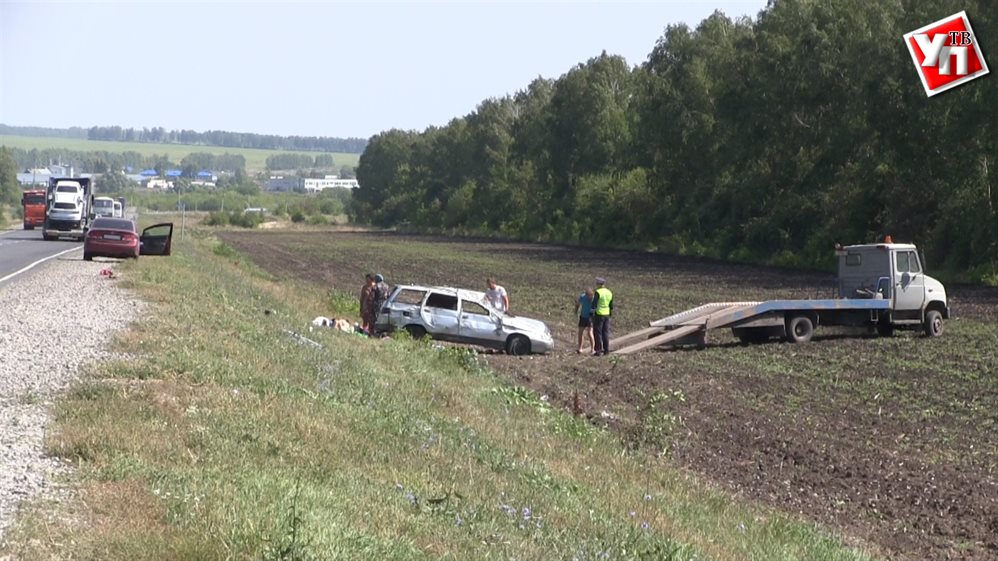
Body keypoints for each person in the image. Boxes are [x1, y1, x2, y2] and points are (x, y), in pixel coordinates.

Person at [591, 277, 613, 356]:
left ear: (598, 284)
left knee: (597, 333)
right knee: (605, 332)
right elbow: (611, 305)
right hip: (607, 314)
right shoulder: (609, 292)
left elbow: (594, 304)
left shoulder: (598, 292)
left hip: (599, 314)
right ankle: (606, 350)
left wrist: (591, 313)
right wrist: (610, 313)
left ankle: (598, 351)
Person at [574, 287, 595, 354]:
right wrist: (576, 311)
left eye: (591, 296)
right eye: (588, 296)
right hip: (583, 316)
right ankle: (580, 348)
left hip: (590, 317)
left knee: (589, 333)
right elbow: (578, 304)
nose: (590, 298)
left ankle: (592, 349)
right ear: (586, 295)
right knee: (580, 332)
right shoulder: (582, 297)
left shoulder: (594, 299)